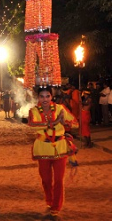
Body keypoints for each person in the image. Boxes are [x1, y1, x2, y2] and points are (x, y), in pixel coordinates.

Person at [28, 86, 79, 217]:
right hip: (42, 148)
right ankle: (49, 201)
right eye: (42, 96)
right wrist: (54, 122)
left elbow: (75, 124)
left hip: (60, 147)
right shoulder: (33, 111)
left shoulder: (60, 108)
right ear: (38, 98)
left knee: (58, 180)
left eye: (47, 96)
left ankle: (56, 206)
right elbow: (32, 125)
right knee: (45, 179)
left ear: (51, 96)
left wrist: (64, 122)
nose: (45, 99)